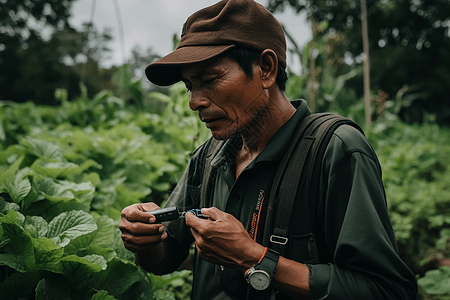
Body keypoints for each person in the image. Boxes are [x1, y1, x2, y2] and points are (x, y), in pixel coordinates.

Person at [119, 0, 418, 299]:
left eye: (210, 80)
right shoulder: (208, 158)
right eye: (189, 86)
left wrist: (254, 258)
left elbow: (386, 290)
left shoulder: (334, 151)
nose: (194, 101)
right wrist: (145, 240)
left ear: (266, 68)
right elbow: (165, 256)